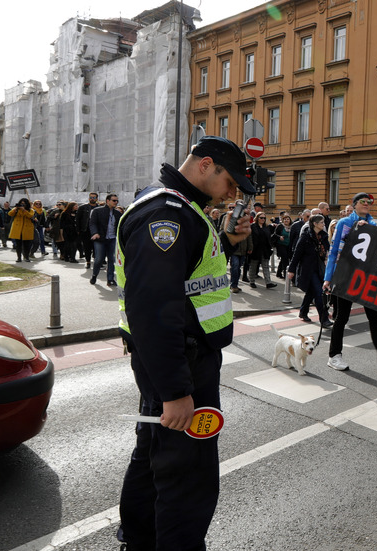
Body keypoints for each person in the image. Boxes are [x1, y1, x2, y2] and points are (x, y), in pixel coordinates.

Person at [115, 135, 254, 551]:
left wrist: (226, 242)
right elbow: (154, 309)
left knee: (153, 456)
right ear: (205, 165)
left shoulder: (179, 205)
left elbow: (192, 280)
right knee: (187, 476)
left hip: (175, 359)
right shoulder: (168, 213)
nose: (233, 193)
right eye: (230, 182)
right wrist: (177, 391)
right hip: (182, 364)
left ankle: (138, 539)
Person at [323, 192, 377, 372]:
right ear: (354, 205)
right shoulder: (344, 224)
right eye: (363, 201)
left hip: (367, 278)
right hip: (346, 276)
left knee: (374, 317)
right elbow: (334, 250)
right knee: (342, 317)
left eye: (369, 202)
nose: (367, 204)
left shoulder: (375, 225)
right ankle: (334, 356)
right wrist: (328, 278)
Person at [288, 214, 332, 327]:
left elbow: (328, 251)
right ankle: (324, 319)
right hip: (308, 269)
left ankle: (303, 312)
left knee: (311, 292)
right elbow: (296, 254)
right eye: (321, 222)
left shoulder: (323, 236)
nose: (324, 224)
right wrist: (291, 270)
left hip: (319, 268)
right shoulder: (305, 237)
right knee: (318, 292)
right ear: (315, 224)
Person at [89, 194, 122, 286]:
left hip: (112, 239)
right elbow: (92, 223)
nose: (116, 202)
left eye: (117, 201)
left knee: (111, 259)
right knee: (99, 259)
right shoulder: (97, 211)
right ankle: (94, 275)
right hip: (100, 239)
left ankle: (110, 279)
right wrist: (95, 233)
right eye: (114, 200)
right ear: (107, 201)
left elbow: (121, 227)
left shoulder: (118, 213)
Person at [248, 212, 277, 289]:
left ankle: (268, 283)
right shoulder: (252, 226)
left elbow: (269, 237)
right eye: (261, 218)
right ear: (257, 218)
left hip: (265, 249)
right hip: (255, 249)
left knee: (266, 266)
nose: (263, 219)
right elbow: (249, 238)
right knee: (253, 266)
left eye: (264, 218)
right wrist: (250, 248)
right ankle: (252, 281)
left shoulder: (266, 227)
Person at [8, 198, 36, 262]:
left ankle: (26, 257)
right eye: (21, 204)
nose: (22, 205)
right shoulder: (16, 209)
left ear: (27, 204)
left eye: (24, 204)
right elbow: (10, 214)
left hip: (27, 229)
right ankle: (19, 258)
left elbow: (30, 216)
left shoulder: (30, 210)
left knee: (27, 244)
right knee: (18, 244)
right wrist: (15, 209)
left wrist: (24, 210)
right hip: (18, 229)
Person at [76, 192, 100, 268]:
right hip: (85, 230)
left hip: (96, 231)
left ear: (97, 199)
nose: (92, 199)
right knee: (87, 247)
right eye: (90, 197)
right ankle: (88, 261)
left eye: (93, 197)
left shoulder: (100, 208)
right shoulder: (83, 207)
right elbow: (78, 219)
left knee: (97, 247)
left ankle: (97, 262)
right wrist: (78, 230)